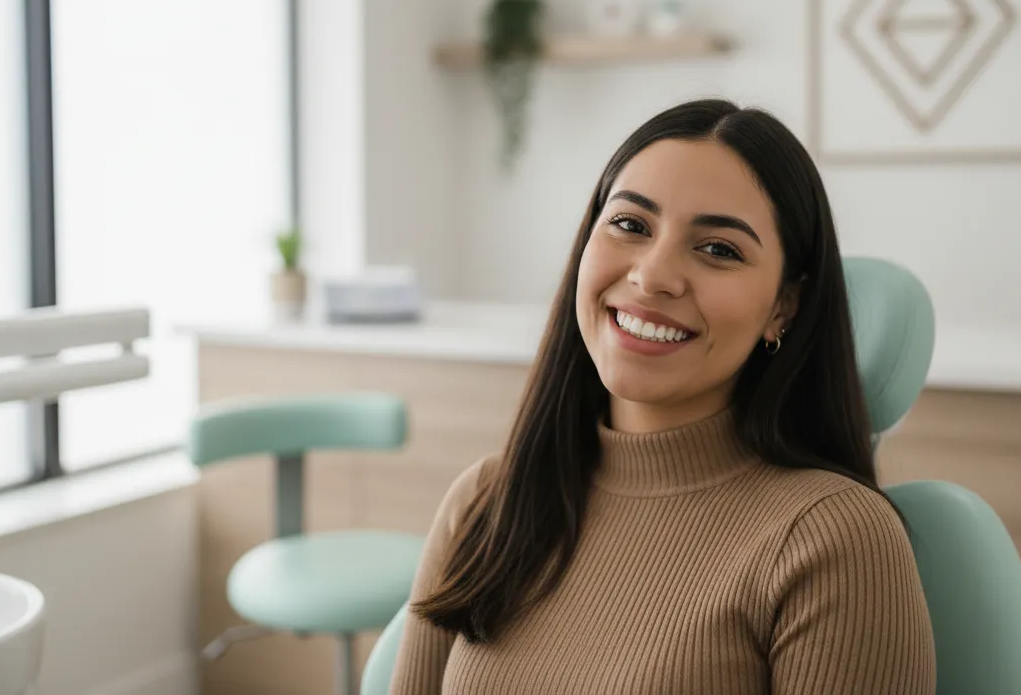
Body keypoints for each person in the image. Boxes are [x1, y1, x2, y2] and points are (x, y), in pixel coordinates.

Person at [389, 99, 936, 694]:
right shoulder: (484, 500)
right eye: (630, 225)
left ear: (784, 306)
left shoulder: (834, 540)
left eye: (719, 249)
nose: (652, 276)